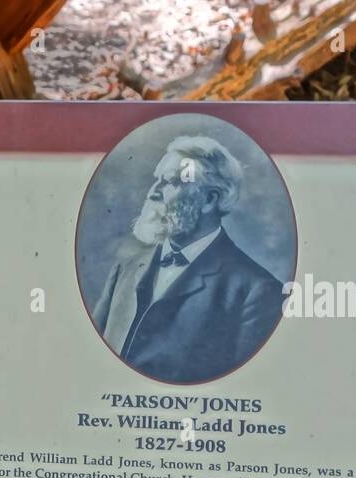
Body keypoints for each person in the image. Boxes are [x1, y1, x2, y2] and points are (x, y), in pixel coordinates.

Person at [91, 135, 285, 384]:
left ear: (209, 199)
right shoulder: (125, 269)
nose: (153, 192)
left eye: (171, 182)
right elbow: (92, 359)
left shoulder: (257, 292)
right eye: (156, 180)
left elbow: (244, 390)